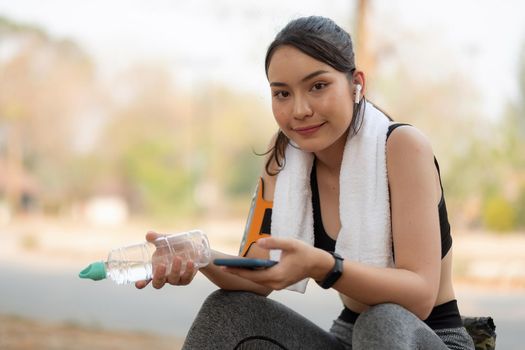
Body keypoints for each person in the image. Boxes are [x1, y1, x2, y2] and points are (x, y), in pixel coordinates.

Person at [136, 16, 475, 350]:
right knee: (227, 310)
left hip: (428, 337)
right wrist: (200, 255)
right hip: (348, 336)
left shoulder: (401, 147)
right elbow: (254, 274)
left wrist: (324, 266)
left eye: (318, 86)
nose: (299, 110)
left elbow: (419, 296)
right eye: (282, 94)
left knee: (383, 319)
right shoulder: (283, 160)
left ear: (356, 83)